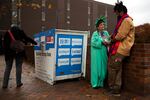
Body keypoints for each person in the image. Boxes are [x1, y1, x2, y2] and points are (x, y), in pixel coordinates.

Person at [107, 2, 135, 95]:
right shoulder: (125, 20)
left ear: (121, 11)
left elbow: (120, 35)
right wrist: (113, 36)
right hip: (121, 48)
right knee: (117, 69)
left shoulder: (126, 20)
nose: (116, 15)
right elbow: (119, 33)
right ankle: (116, 89)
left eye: (117, 13)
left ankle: (114, 90)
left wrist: (110, 40)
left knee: (112, 68)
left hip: (120, 49)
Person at [91, 16, 111, 88]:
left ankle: (101, 82)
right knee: (96, 68)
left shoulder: (106, 33)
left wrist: (108, 42)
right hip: (96, 53)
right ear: (98, 26)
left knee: (103, 68)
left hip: (103, 52)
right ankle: (95, 83)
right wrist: (101, 42)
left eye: (103, 24)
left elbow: (109, 40)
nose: (103, 26)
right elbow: (93, 43)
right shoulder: (95, 33)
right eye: (101, 25)